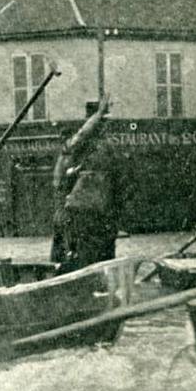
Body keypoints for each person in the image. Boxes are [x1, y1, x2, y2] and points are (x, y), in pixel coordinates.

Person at [51, 95, 110, 269]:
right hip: (67, 202)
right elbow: (83, 134)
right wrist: (98, 115)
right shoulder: (71, 150)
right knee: (71, 244)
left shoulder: (81, 149)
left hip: (69, 202)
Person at [62, 136, 118, 272]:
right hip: (93, 208)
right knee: (95, 247)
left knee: (90, 247)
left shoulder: (85, 170)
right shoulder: (92, 171)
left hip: (89, 208)